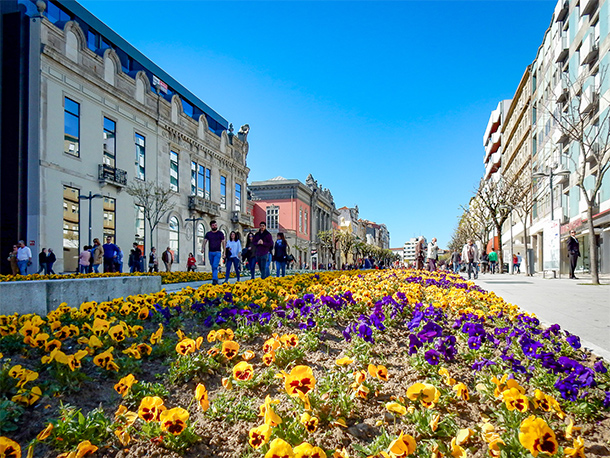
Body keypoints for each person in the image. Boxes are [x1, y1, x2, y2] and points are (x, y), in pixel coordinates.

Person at [203, 220, 225, 285]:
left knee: (215, 265)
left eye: (215, 225)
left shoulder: (220, 233)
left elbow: (223, 242)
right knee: (212, 265)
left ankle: (214, 280)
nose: (214, 226)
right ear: (211, 226)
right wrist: (202, 248)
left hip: (218, 252)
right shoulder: (208, 234)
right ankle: (215, 278)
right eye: (213, 225)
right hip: (210, 252)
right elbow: (204, 241)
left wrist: (224, 252)